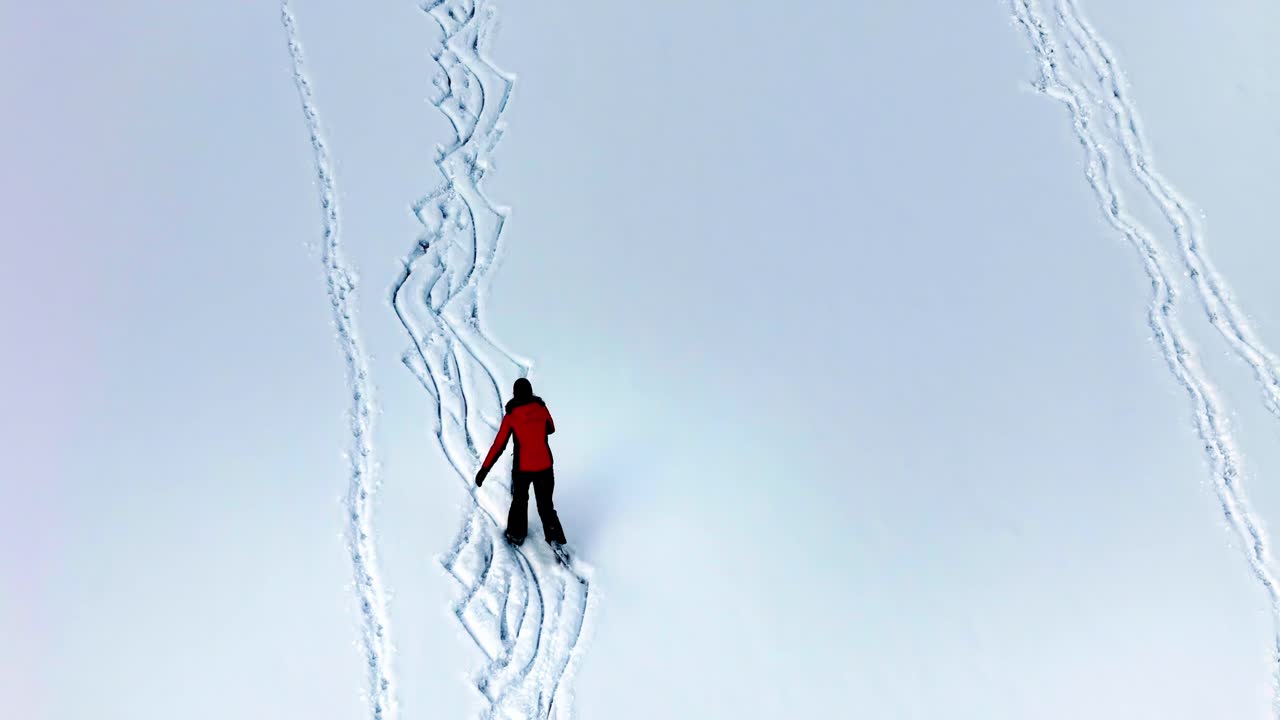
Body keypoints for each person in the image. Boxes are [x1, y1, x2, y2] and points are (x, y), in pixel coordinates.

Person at [474, 378, 568, 549]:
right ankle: (555, 539)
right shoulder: (541, 407)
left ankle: (516, 534)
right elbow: (551, 428)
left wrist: (484, 470)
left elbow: (498, 446)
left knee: (519, 501)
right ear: (530, 392)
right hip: (545, 466)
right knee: (546, 506)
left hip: (523, 469)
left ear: (515, 394)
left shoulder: (511, 416)